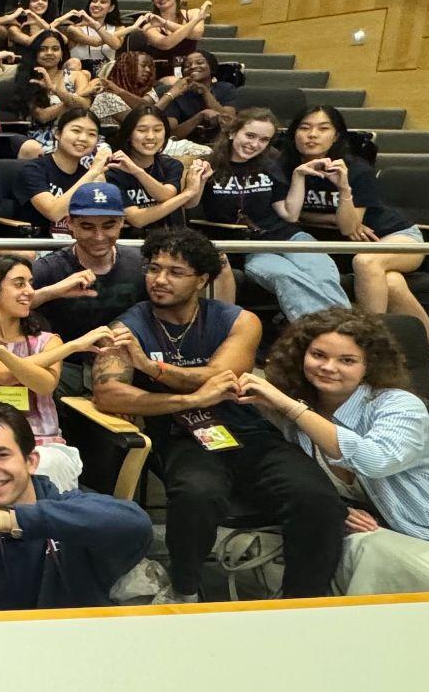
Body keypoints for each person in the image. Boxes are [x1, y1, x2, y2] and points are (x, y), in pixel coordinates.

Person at [91, 228, 345, 601]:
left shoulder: (239, 321)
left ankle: (303, 599)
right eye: (154, 268)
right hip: (180, 435)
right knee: (197, 493)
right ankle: (184, 590)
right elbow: (108, 392)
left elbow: (222, 375)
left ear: (202, 279)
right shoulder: (125, 327)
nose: (160, 280)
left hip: (246, 428)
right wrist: (188, 400)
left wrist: (151, 368)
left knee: (316, 496)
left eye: (175, 272)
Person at [240, 308, 429, 594]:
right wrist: (334, 509)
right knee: (348, 542)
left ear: (369, 365)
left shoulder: (399, 405)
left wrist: (293, 409)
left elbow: (376, 461)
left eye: (347, 360)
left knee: (371, 550)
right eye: (318, 355)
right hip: (376, 538)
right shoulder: (291, 417)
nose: (328, 367)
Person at [0, 403, 153, 612]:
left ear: (31, 462)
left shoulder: (71, 514)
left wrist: (12, 521)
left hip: (83, 639)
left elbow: (136, 524)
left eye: (1, 455)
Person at [281, 106, 429, 379]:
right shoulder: (285, 168)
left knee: (366, 262)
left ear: (336, 136)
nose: (312, 135)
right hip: (360, 243)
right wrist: (330, 218)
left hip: (397, 236)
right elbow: (290, 213)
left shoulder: (355, 169)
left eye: (323, 128)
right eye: (305, 127)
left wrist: (344, 188)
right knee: (392, 283)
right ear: (293, 134)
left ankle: (368, 348)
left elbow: (349, 227)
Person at [0, 255, 112, 490]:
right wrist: (73, 346)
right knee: (18, 468)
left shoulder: (48, 341)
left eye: (30, 283)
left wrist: (0, 352)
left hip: (44, 443)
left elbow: (44, 385)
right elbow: (3, 375)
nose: (29, 291)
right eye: (19, 284)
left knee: (44, 466)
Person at [200, 109, 353, 321]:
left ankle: (348, 330)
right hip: (251, 248)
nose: (255, 144)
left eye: (264, 140)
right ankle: (325, 331)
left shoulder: (270, 166)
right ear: (233, 132)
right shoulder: (208, 165)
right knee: (287, 277)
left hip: (288, 237)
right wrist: (196, 181)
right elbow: (190, 203)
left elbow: (290, 215)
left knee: (323, 274)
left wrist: (298, 175)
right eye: (250, 135)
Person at [26, 182, 151, 356]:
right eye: (87, 226)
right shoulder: (49, 268)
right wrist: (51, 292)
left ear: (122, 222)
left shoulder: (142, 264)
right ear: (70, 223)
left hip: (129, 360)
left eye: (108, 226)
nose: (99, 237)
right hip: (66, 363)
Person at [11, 107, 108, 234]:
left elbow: (102, 225)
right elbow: (54, 213)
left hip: (77, 243)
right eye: (76, 130)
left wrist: (101, 185)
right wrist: (93, 172)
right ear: (57, 134)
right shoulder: (34, 169)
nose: (83, 138)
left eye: (92, 134)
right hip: (36, 242)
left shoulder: (89, 176)